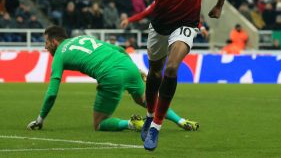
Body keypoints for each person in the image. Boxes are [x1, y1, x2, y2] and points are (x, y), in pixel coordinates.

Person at [136, 0, 231, 151]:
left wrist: (220, 4)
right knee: (155, 72)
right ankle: (149, 115)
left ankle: (156, 127)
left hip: (187, 23)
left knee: (171, 68)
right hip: (160, 23)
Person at [27, 25, 199, 133]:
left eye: (46, 42)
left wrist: (40, 120)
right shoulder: (83, 38)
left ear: (55, 41)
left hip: (110, 75)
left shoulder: (59, 54)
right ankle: (182, 121)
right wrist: (138, 69)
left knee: (99, 124)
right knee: (148, 101)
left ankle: (132, 124)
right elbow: (119, 50)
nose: (45, 46)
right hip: (127, 65)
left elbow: (52, 93)